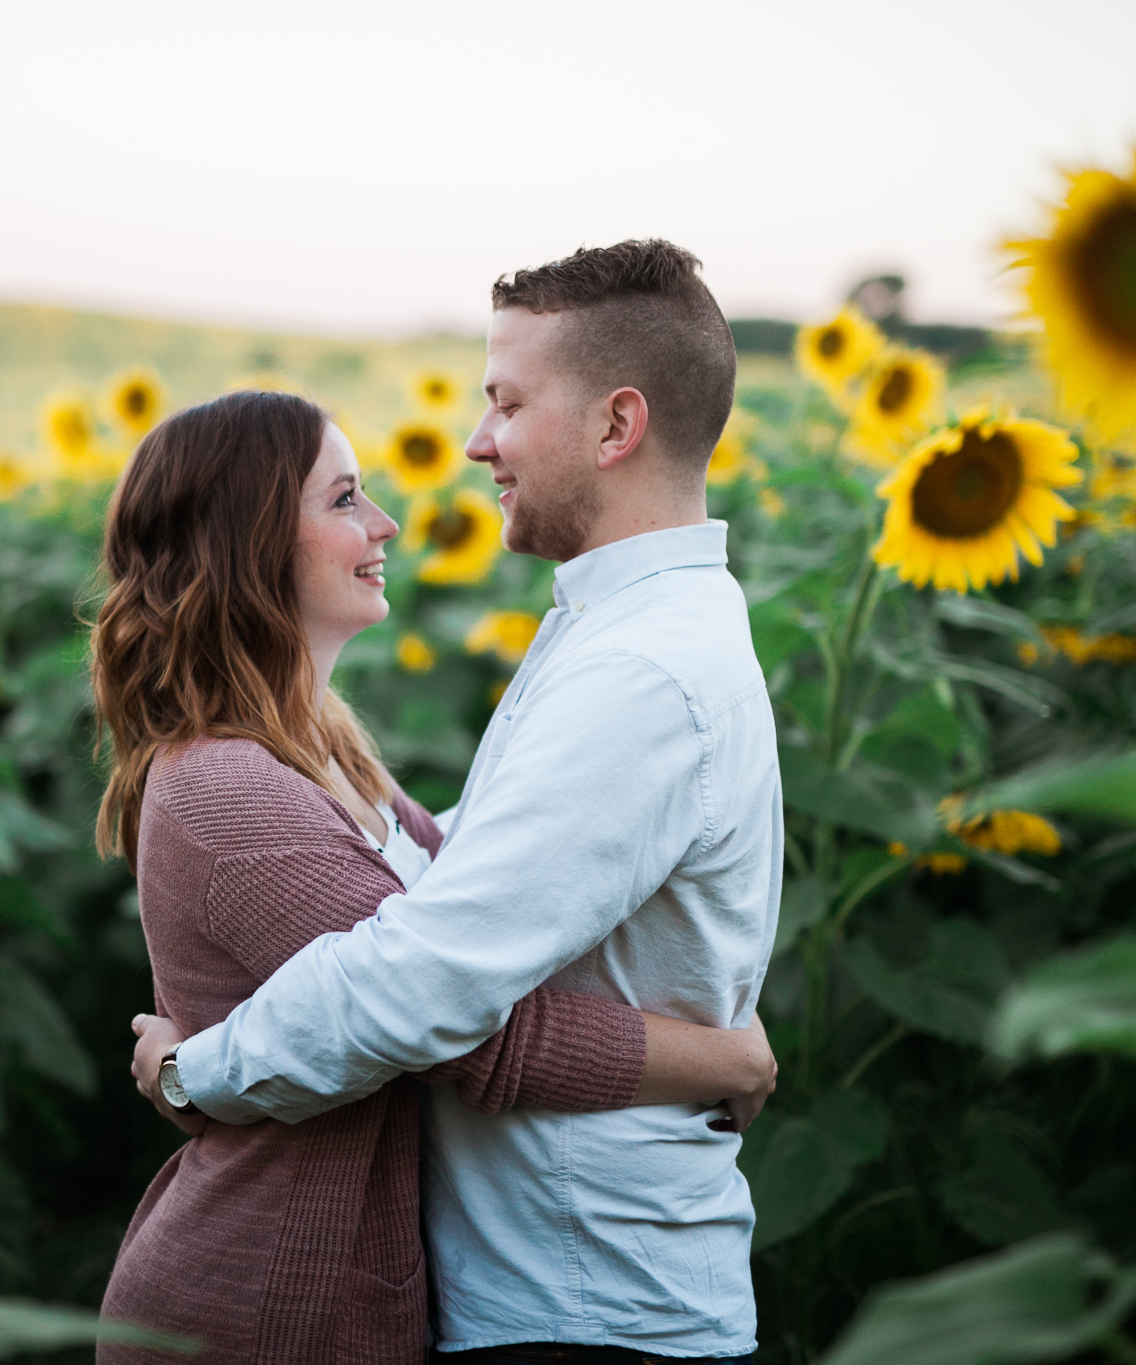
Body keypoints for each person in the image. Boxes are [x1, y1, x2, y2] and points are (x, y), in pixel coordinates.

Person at [133, 241, 781, 1363]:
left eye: (507, 402)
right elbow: (450, 936)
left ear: (614, 427)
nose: (476, 441)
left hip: (588, 1297)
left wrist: (202, 1067)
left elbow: (430, 981)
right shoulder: (614, 632)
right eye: (345, 497)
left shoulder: (636, 671)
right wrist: (717, 1051)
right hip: (550, 1282)